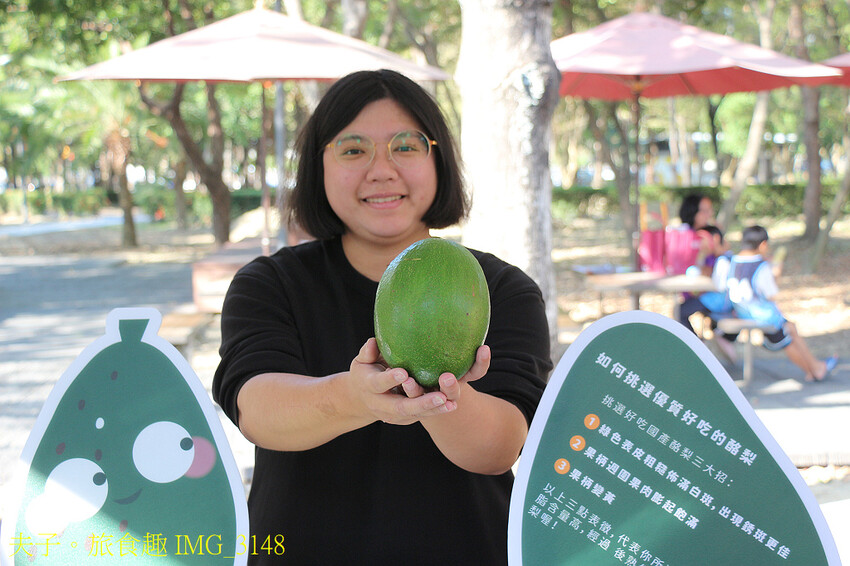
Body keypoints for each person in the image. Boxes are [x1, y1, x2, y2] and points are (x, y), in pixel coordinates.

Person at [212, 69, 552, 565]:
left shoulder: (500, 288)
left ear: (439, 160)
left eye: (406, 147)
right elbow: (257, 410)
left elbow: (502, 446)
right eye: (353, 150)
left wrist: (440, 397)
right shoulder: (270, 283)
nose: (381, 169)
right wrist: (356, 398)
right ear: (318, 167)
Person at [713, 225, 837, 382]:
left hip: (740, 310)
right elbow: (771, 294)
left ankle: (814, 368)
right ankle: (815, 369)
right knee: (788, 332)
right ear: (763, 244)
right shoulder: (761, 266)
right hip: (762, 316)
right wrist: (776, 274)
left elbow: (720, 286)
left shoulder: (728, 262)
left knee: (790, 328)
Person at [677, 224, 739, 361]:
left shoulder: (724, 260)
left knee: (680, 311)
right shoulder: (721, 258)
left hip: (717, 302)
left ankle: (697, 348)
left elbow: (718, 285)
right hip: (714, 300)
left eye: (702, 239)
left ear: (715, 239)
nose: (700, 243)